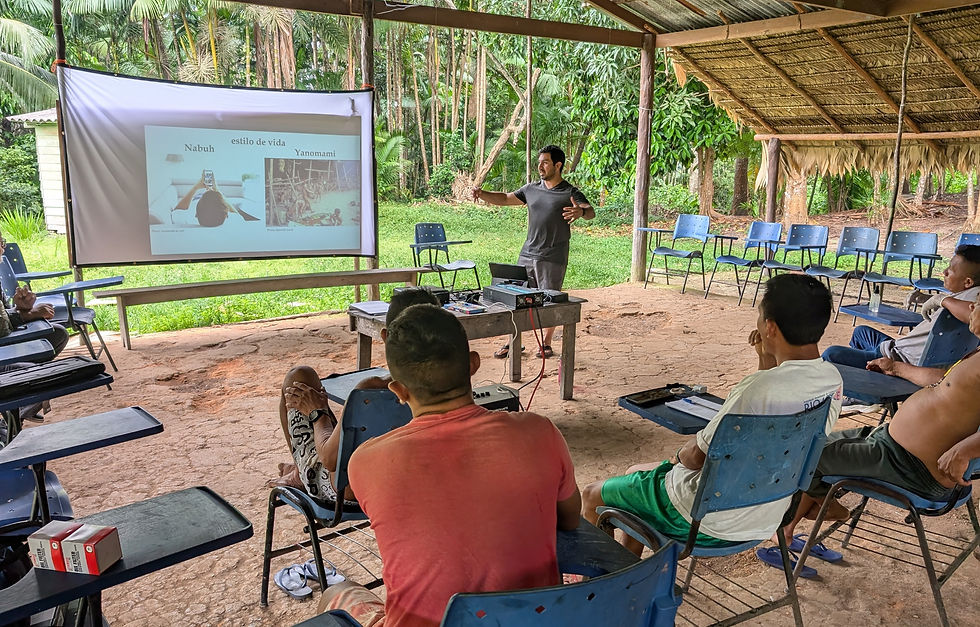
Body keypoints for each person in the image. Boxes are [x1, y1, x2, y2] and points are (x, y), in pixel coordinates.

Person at [318, 304, 581, 627]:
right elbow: (569, 519)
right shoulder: (540, 431)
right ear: (473, 365)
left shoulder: (366, 462)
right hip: (533, 620)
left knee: (338, 593)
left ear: (398, 391)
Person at [581, 274, 843, 555]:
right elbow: (775, 399)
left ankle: (602, 587)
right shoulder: (832, 381)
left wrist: (676, 459)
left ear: (770, 327)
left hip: (705, 522)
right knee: (635, 478)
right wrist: (765, 360)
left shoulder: (755, 390)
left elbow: (695, 458)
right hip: (768, 515)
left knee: (593, 494)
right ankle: (630, 573)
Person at [775, 290, 980, 573]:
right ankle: (807, 515)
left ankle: (785, 536)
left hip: (910, 467)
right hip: (890, 446)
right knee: (816, 444)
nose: (972, 307)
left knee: (806, 457)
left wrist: (964, 450)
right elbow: (943, 380)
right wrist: (896, 367)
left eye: (978, 304)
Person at [276, 288, 440, 504]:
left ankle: (301, 472)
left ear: (385, 336)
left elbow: (330, 459)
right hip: (412, 483)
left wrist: (318, 412)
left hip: (348, 492)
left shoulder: (370, 390)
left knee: (298, 377)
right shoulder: (449, 388)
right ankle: (299, 468)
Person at [472, 145, 595, 359]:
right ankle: (513, 342)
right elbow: (504, 198)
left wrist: (581, 211)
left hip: (553, 256)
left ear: (558, 165)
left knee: (549, 300)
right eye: (539, 162)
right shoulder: (531, 189)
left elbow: (590, 212)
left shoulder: (569, 191)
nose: (540, 166)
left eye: (545, 162)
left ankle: (545, 344)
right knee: (517, 299)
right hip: (528, 253)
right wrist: (482, 194)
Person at [822, 244, 980, 370]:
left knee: (832, 354)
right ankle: (866, 377)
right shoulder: (963, 295)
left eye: (949, 271)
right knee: (861, 332)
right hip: (897, 348)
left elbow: (972, 313)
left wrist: (941, 299)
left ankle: (868, 387)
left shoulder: (975, 295)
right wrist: (932, 298)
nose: (944, 272)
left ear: (968, 282)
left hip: (899, 359)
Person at [171, 172, 258, 227]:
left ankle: (212, 195)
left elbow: (177, 210)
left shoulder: (185, 220)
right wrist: (217, 190)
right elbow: (237, 214)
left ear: (196, 214)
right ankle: (214, 194)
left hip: (198, 198)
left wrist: (196, 187)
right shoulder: (235, 222)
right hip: (208, 199)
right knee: (214, 198)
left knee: (212, 197)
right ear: (227, 215)